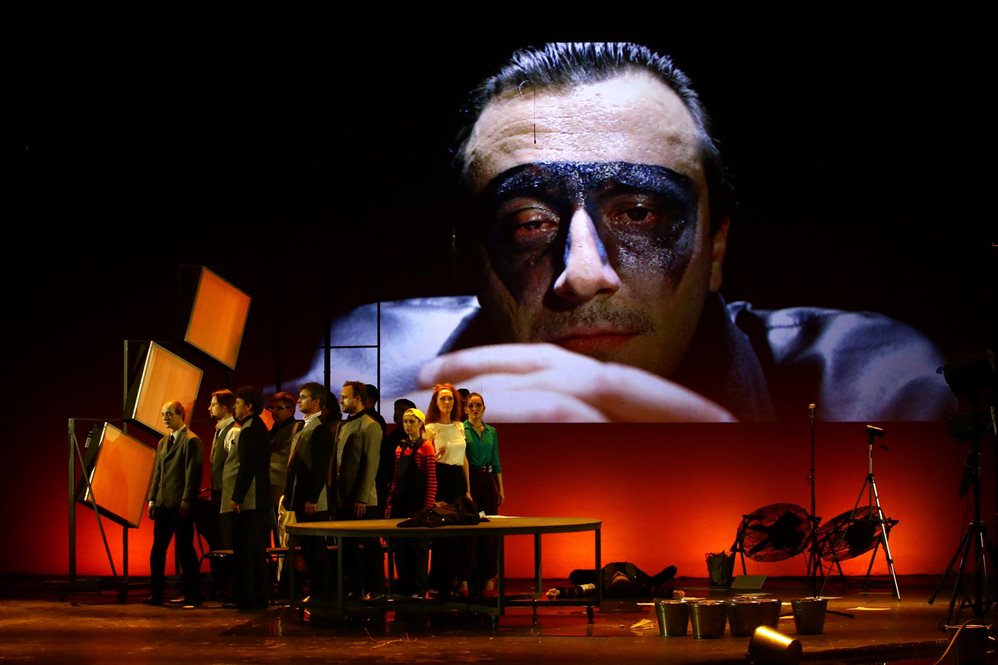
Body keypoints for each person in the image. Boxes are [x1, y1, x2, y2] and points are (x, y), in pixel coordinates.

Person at [302, 42, 953, 423]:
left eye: (640, 213)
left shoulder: (877, 388)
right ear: (473, 260)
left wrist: (739, 464)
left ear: (716, 248)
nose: (584, 272)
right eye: (529, 222)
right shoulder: (373, 368)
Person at [146, 401, 203, 606]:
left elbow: (192, 474)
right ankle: (156, 594)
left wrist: (187, 501)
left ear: (181, 415)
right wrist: (152, 499)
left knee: (185, 549)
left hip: (179, 504)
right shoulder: (163, 441)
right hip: (163, 503)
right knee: (158, 550)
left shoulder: (191, 440)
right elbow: (158, 472)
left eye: (169, 414)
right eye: (163, 414)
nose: (165, 418)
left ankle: (192, 594)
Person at [282, 382, 333, 599]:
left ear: (316, 402)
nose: (299, 400)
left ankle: (323, 592)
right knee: (308, 547)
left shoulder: (319, 429)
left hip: (312, 500)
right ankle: (319, 591)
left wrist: (312, 497)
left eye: (303, 397)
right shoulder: (305, 426)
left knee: (315, 547)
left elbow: (320, 467)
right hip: (301, 496)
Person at [224, 386, 272, 609]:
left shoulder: (250, 428)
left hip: (251, 499)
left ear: (249, 406)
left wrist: (237, 497)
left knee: (247, 550)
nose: (235, 407)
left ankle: (249, 597)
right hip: (256, 497)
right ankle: (257, 596)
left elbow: (247, 467)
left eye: (238, 403)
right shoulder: (256, 427)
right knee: (254, 550)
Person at [335, 380, 384, 599]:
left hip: (363, 500)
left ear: (357, 399)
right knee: (348, 546)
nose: (341, 401)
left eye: (345, 397)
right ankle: (354, 588)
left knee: (370, 545)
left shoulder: (370, 425)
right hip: (344, 496)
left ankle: (376, 589)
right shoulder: (345, 425)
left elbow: (371, 464)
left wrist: (362, 498)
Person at [424, 382, 472, 598]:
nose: (447, 402)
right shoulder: (430, 429)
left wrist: (468, 490)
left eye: (450, 398)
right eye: (442, 398)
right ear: (436, 402)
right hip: (440, 476)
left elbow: (464, 460)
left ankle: (456, 581)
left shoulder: (460, 426)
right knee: (442, 534)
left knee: (459, 533)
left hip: (457, 478)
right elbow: (426, 462)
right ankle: (438, 582)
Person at [385, 407, 437, 598]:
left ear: (420, 424)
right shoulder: (400, 447)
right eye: (405, 421)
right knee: (401, 549)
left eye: (411, 421)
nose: (408, 425)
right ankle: (404, 587)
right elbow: (396, 478)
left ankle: (418, 589)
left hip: (418, 506)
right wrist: (390, 502)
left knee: (419, 550)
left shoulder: (427, 447)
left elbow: (431, 479)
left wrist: (427, 508)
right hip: (401, 504)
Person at [463, 392, 503, 597]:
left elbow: (496, 461)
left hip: (487, 480)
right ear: (465, 409)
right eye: (471, 405)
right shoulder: (461, 429)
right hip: (470, 480)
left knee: (490, 528)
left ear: (484, 408)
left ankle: (488, 575)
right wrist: (466, 489)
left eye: (478, 405)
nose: (474, 409)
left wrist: (500, 488)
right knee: (469, 529)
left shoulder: (491, 431)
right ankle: (467, 575)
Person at [376, 398, 416, 516]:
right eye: (395, 410)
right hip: (391, 484)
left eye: (401, 410)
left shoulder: (415, 438)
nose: (397, 413)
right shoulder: (392, 436)